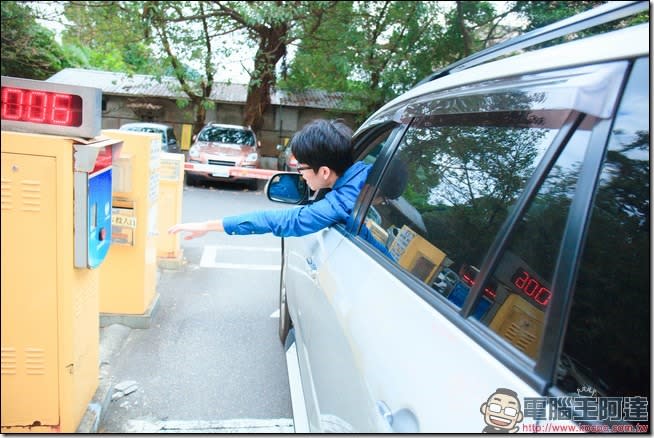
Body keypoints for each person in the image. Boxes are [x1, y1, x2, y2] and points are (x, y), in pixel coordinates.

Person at [168, 119, 371, 240]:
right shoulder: (370, 173)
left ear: (324, 172)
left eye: (301, 168)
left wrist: (207, 226)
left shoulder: (338, 204)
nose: (300, 174)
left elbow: (277, 221)